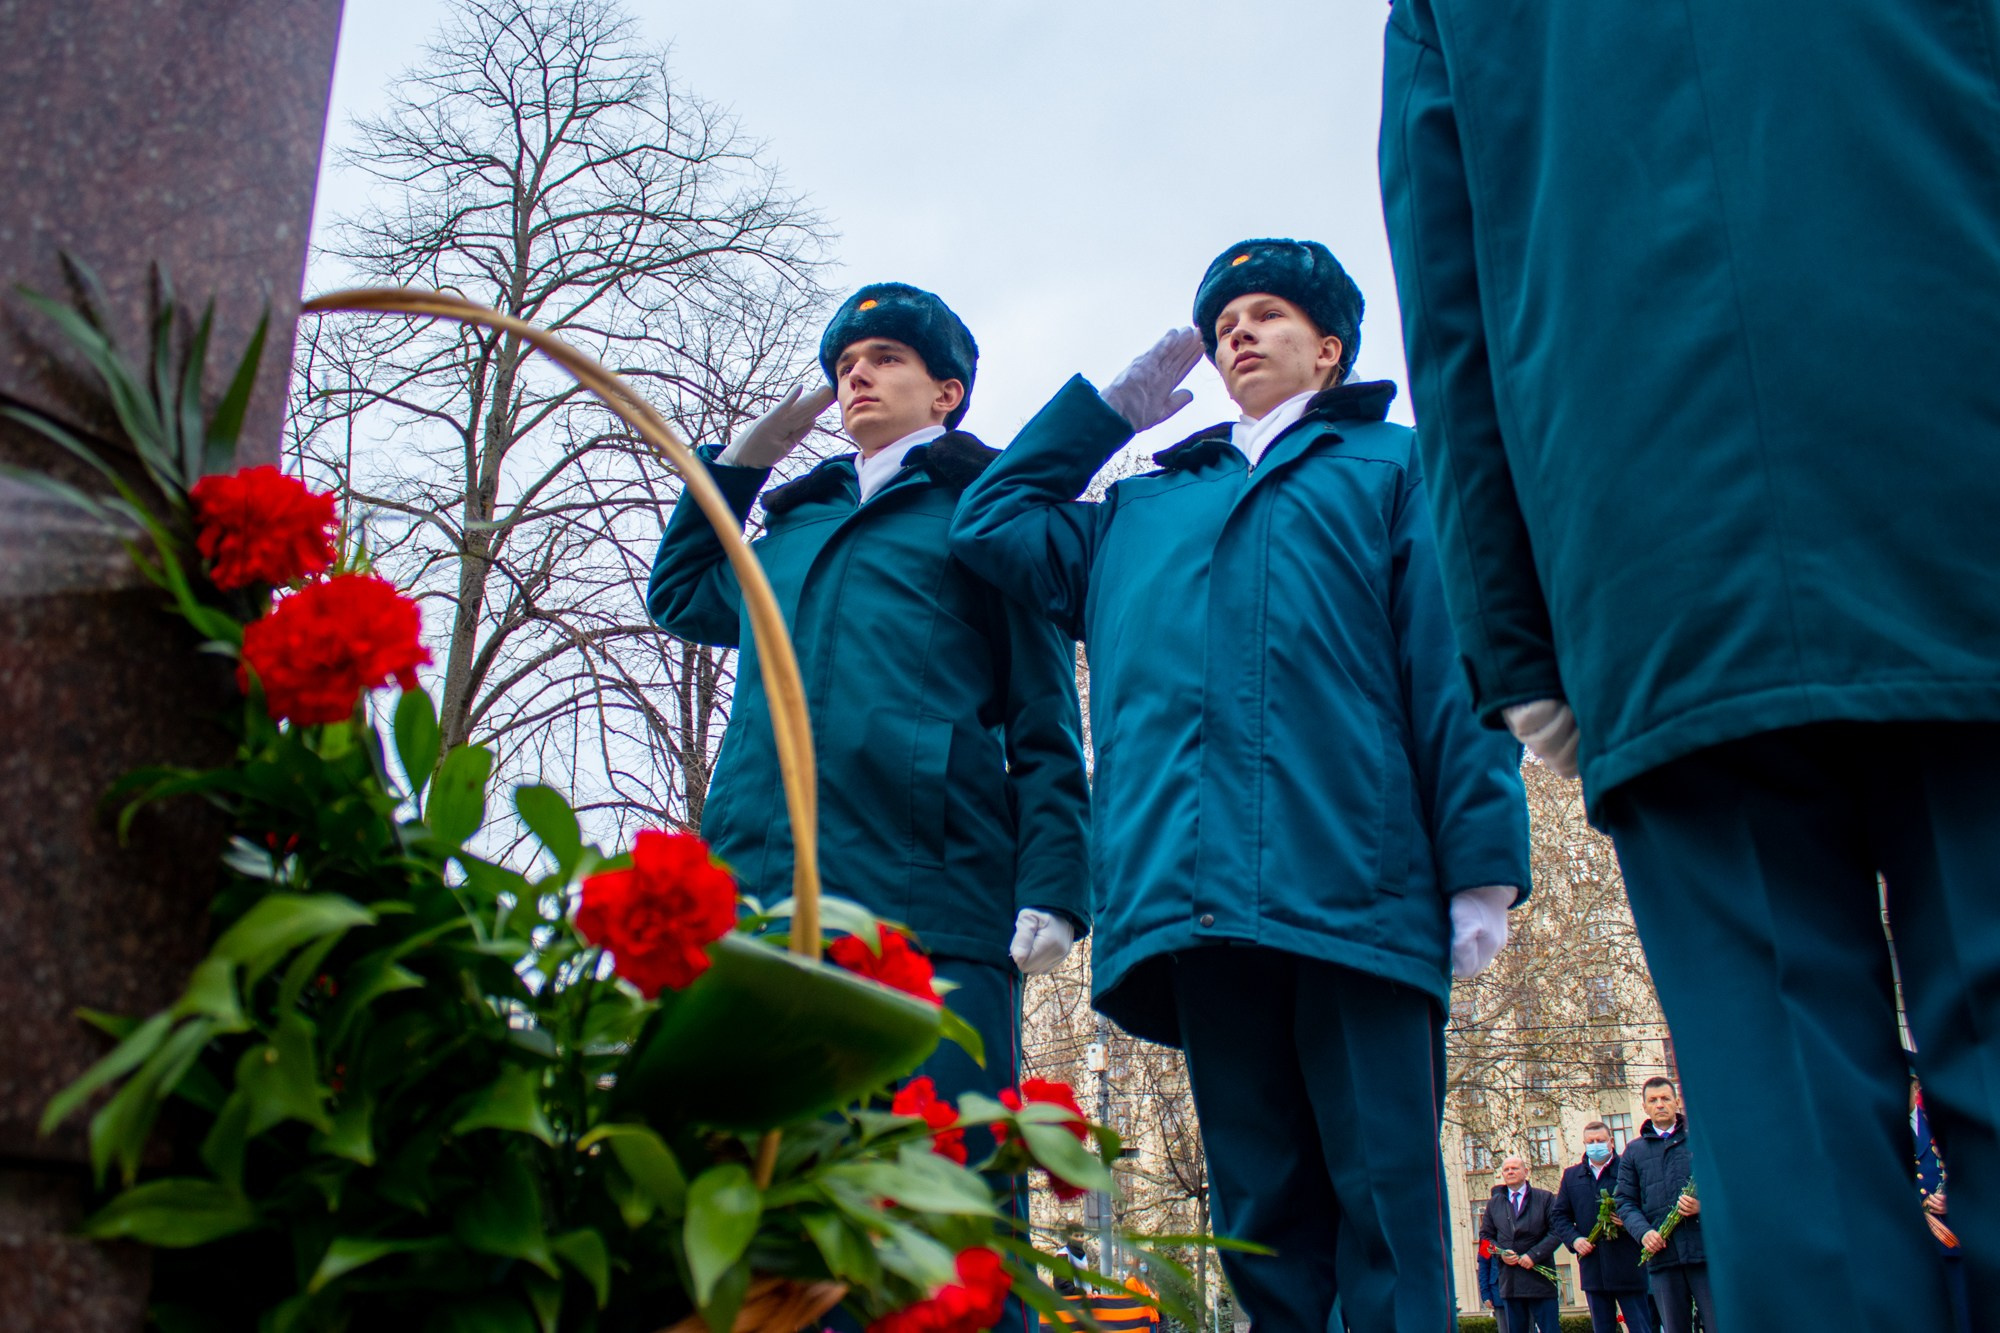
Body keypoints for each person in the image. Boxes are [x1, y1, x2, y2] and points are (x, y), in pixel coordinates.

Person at [1379, 0, 2000, 1323]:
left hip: (1658, 553)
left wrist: (1518, 636)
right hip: (1958, 461)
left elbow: (1452, 306)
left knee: (1783, 1130)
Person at [951, 238, 1530, 1332]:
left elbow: (1455, 667)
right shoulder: (1135, 511)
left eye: (1267, 313)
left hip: (1356, 889)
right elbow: (988, 526)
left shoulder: (1398, 464)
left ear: (1329, 347)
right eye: (1223, 323)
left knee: (1385, 1204)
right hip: (1192, 903)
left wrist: (1481, 866)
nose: (1237, 333)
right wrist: (1103, 418)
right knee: (1259, 1218)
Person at [647, 282, 1091, 1257]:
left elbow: (1044, 722)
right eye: (846, 360)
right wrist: (744, 460)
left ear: (946, 393)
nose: (856, 371)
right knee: (763, 1204)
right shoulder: (791, 531)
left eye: (885, 356)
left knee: (943, 1209)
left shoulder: (983, 517)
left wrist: (1055, 885)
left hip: (929, 900)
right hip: (768, 892)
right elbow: (678, 591)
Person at [1612, 1080, 1710, 1333]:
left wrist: (1704, 1205)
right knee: (1675, 1327)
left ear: (1677, 1102)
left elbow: (1725, 1187)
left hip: (1705, 1253)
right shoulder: (1634, 1152)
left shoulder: (1701, 1140)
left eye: (1665, 1098)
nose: (1660, 1105)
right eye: (1653, 1100)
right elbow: (1624, 1201)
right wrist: (1644, 1233)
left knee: (1718, 1323)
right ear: (1644, 1107)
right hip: (1663, 1257)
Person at [1551, 1121, 1651, 1333]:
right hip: (1594, 1268)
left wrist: (1630, 1221)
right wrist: (1575, 1239)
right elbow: (1559, 1215)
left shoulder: (1628, 1169)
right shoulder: (1572, 1176)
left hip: (1628, 1267)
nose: (1595, 1145)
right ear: (1584, 1144)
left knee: (1640, 1327)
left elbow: (1646, 1205)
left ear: (1611, 1142)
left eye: (1600, 1140)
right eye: (1591, 1142)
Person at [1914, 1080, 1972, 1333]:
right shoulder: (1877, 1120)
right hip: (1906, 1244)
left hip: (1949, 1245)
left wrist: (1958, 1199)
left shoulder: (1945, 1122)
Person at [1480, 1155, 1560, 1333]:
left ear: (1526, 1172)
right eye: (1506, 1169)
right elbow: (1485, 1239)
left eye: (1514, 1168)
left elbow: (1557, 1232)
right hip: (1511, 1281)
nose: (1510, 1172)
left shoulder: (1544, 1198)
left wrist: (1533, 1255)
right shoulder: (1494, 1204)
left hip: (1540, 1280)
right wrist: (1501, 1253)